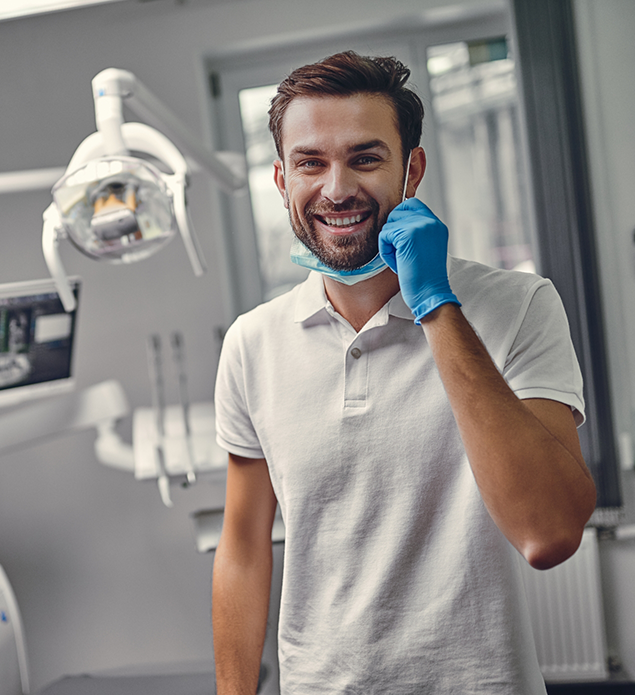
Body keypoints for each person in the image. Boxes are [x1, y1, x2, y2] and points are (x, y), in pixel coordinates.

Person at [212, 51, 596, 695]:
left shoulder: (520, 306)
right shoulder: (251, 344)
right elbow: (244, 548)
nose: (336, 188)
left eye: (365, 158)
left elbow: (550, 531)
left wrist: (436, 305)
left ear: (411, 170)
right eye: (311, 162)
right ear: (281, 181)